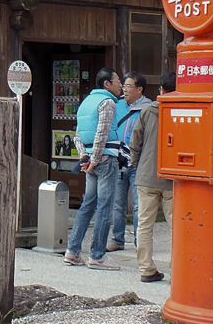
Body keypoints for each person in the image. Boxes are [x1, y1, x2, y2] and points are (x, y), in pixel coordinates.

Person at [63, 67, 123, 270]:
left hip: (89, 160)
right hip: (105, 160)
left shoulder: (85, 102)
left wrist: (85, 158)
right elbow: (103, 133)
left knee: (87, 205)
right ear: (107, 84)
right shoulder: (107, 103)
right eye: (118, 81)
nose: (121, 85)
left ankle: (73, 251)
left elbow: (77, 135)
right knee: (104, 207)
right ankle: (97, 256)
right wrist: (96, 159)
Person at [129, 71, 176, 283]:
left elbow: (135, 141)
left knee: (144, 225)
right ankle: (180, 269)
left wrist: (137, 163)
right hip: (172, 178)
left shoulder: (147, 112)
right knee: (177, 227)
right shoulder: (182, 111)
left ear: (161, 90)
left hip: (146, 176)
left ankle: (146, 269)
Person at [106, 72, 151, 252]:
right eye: (123, 86)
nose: (124, 90)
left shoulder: (149, 109)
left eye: (129, 87)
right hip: (118, 160)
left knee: (138, 203)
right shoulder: (117, 106)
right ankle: (117, 239)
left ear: (140, 89)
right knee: (118, 202)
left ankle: (140, 241)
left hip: (138, 161)